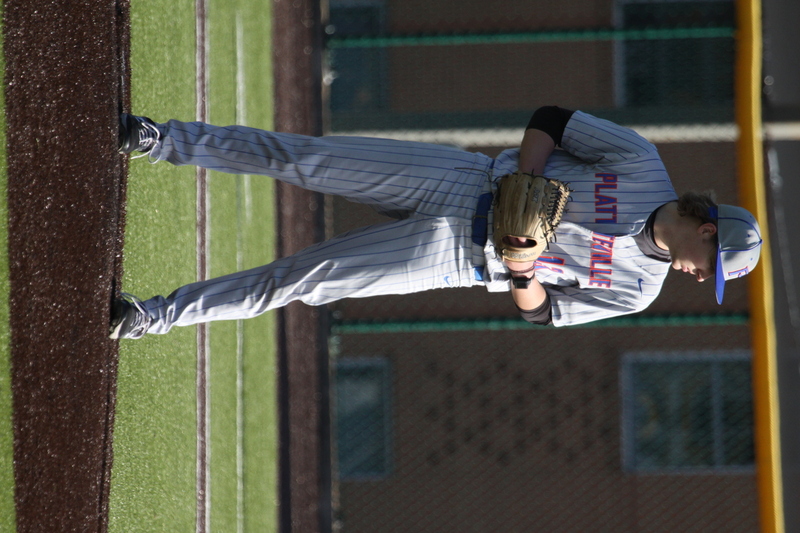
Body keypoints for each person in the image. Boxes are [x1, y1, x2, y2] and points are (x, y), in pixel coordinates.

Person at [109, 107, 763, 339]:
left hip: (456, 256)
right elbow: (553, 120)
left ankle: (154, 316)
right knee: (302, 157)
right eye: (710, 269)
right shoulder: (641, 162)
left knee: (303, 278)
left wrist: (522, 271)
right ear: (707, 230)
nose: (698, 278)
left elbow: (544, 315)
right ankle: (163, 139)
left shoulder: (639, 290)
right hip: (461, 179)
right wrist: (530, 179)